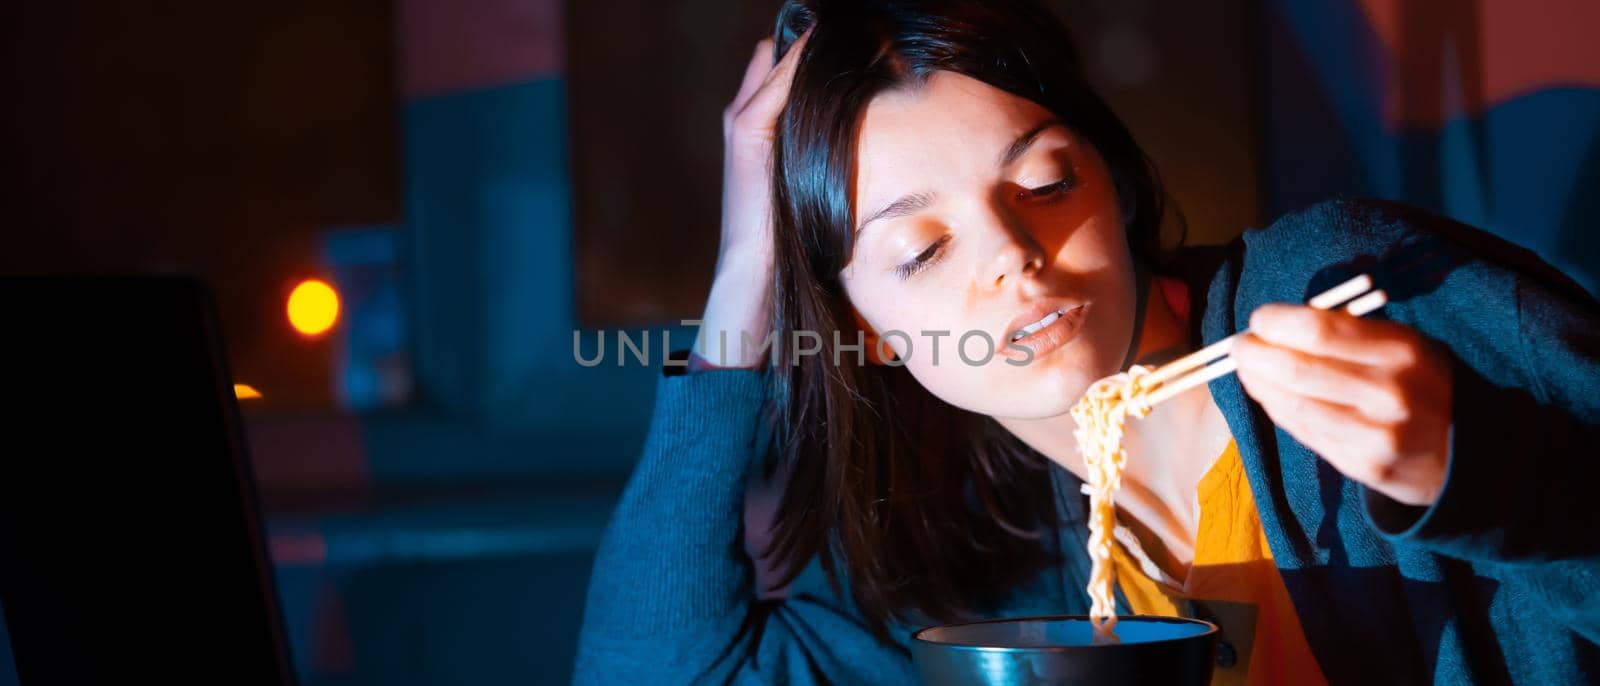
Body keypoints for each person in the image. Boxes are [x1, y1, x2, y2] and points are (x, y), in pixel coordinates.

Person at [574, 1, 1600, 683]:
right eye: (923, 249)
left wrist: (1469, 472)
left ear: (1111, 177)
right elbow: (649, 668)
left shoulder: (1343, 292)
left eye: (1045, 183)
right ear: (865, 336)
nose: (1015, 259)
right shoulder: (1012, 575)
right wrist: (747, 268)